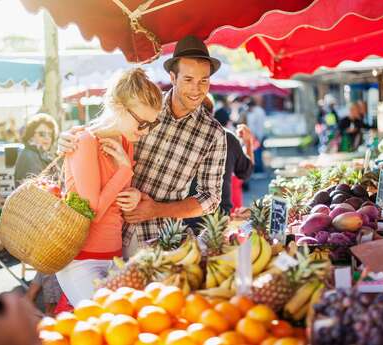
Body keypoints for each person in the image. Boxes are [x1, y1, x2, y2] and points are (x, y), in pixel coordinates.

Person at [58, 35, 227, 259]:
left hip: (160, 240)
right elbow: (102, 130)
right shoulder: (145, 105)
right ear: (173, 77)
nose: (197, 89)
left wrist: (156, 209)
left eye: (203, 81)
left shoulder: (214, 134)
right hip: (110, 231)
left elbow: (211, 198)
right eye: (188, 79)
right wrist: (69, 138)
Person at [55, 68, 163, 305]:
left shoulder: (126, 140)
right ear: (118, 107)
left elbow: (115, 195)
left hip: (114, 256)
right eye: (142, 123)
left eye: (151, 126)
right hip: (81, 261)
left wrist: (134, 195)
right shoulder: (84, 141)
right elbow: (92, 212)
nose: (145, 132)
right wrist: (125, 169)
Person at [13, 113, 62, 315]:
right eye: (42, 133)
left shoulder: (40, 155)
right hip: (28, 222)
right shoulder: (29, 156)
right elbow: (40, 192)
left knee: (55, 248)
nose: (47, 138)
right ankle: (50, 307)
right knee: (54, 250)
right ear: (31, 135)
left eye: (50, 134)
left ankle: (31, 296)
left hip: (40, 219)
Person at [246, 96, 266, 173]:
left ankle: (259, 169)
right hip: (255, 135)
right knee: (255, 153)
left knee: (257, 153)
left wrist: (258, 136)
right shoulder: (256, 111)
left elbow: (259, 125)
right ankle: (257, 169)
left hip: (257, 136)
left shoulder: (258, 112)